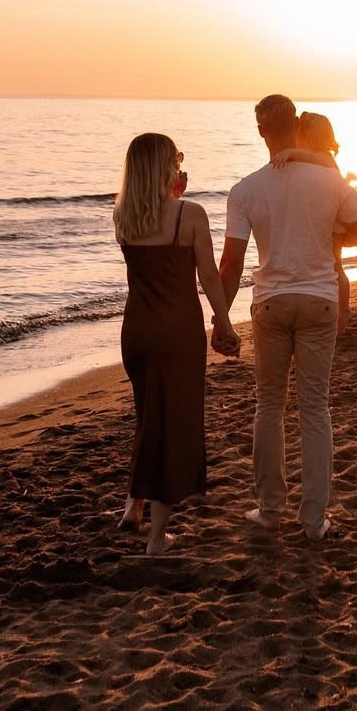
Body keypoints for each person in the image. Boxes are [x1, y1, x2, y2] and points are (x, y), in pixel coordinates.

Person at [216, 95, 357, 541]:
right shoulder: (328, 179)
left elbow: (231, 264)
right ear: (296, 125)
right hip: (319, 299)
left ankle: (270, 511)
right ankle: (313, 520)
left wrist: (220, 320)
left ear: (261, 131)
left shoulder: (245, 189)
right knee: (315, 408)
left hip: (271, 302)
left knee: (269, 406)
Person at [113, 132, 240, 555]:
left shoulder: (123, 216)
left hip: (137, 331)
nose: (180, 166)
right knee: (173, 427)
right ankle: (157, 538)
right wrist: (225, 325)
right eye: (177, 159)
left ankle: (134, 507)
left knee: (148, 416)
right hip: (177, 332)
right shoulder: (190, 214)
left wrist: (169, 195)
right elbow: (208, 278)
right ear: (165, 167)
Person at [271, 110, 352, 336]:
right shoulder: (317, 158)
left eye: (300, 131)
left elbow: (314, 160)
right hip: (329, 217)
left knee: (336, 265)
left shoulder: (323, 157)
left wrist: (290, 152)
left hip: (335, 221)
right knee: (333, 264)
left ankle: (344, 310)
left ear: (310, 136)